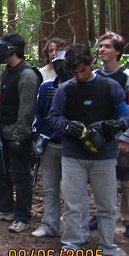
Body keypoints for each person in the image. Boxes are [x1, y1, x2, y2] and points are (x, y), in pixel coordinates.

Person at [47, 44, 129, 256]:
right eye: (74, 72)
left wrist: (117, 125)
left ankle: (108, 249)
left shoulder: (109, 86)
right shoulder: (66, 89)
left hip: (104, 155)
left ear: (90, 65)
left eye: (83, 70)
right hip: (73, 154)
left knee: (106, 205)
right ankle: (71, 246)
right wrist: (66, 125)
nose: (79, 76)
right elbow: (53, 117)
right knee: (73, 203)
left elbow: (125, 113)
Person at [0, 33, 41, 233]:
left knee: (20, 176)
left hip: (18, 136)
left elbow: (27, 110)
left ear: (12, 49)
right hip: (3, 133)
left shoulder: (27, 75)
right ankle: (5, 209)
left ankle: (22, 216)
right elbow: (2, 101)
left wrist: (19, 137)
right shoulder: (9, 72)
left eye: (2, 48)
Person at [89, 32, 129, 238]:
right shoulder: (95, 76)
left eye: (107, 47)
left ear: (118, 52)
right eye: (101, 46)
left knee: (126, 176)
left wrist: (126, 138)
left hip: (121, 135)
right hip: (100, 137)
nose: (102, 49)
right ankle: (102, 215)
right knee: (100, 177)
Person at [30, 48, 86, 238]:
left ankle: (77, 228)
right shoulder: (46, 87)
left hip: (72, 147)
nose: (61, 68)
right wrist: (38, 137)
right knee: (49, 188)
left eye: (65, 65)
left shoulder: (81, 88)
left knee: (74, 192)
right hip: (49, 145)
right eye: (58, 64)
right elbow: (40, 115)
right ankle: (49, 224)